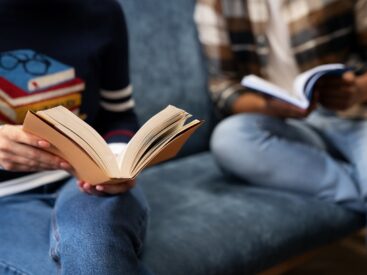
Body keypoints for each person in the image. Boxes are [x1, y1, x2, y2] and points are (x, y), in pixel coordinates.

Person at [0, 0, 151, 274]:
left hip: (85, 183)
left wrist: (116, 162)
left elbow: (119, 115)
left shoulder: (103, 11)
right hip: (5, 200)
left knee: (93, 246)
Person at [195, 0, 367, 213]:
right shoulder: (215, 5)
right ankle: (360, 190)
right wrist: (267, 107)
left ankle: (357, 191)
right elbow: (222, 86)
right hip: (283, 124)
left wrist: (358, 89)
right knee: (230, 138)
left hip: (355, 116)